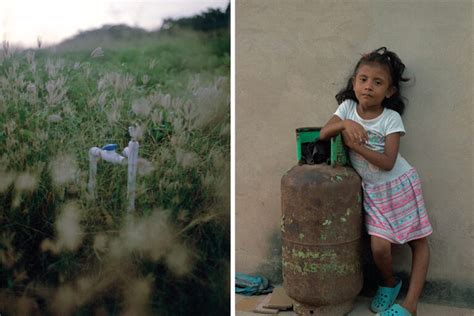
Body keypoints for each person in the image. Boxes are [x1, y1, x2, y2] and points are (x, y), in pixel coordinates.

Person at [319, 47, 432, 316]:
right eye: (363, 79)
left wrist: (355, 146)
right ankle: (390, 283)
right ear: (354, 83)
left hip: (399, 186)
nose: (368, 87)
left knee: (418, 242)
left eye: (377, 82)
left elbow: (388, 162)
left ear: (389, 91)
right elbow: (324, 132)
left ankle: (410, 305)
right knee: (379, 247)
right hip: (372, 192)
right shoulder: (347, 108)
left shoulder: (390, 119)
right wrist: (345, 125)